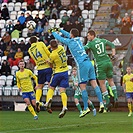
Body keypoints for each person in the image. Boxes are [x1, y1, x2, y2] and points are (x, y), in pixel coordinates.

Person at [49, 28, 104, 118]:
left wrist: (53, 32)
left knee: (82, 87)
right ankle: (101, 103)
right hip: (89, 62)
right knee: (95, 84)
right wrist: (60, 29)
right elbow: (68, 34)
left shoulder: (70, 42)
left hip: (82, 64)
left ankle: (86, 108)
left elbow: (60, 39)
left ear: (71, 35)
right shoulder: (79, 39)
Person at [84, 30, 118, 111]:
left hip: (100, 64)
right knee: (111, 80)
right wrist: (113, 55)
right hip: (108, 62)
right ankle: (116, 97)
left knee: (102, 84)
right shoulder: (103, 40)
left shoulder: (90, 43)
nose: (87, 37)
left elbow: (84, 48)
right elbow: (112, 45)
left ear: (92, 35)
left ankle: (108, 102)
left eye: (88, 35)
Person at [44, 39, 69, 118]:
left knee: (51, 87)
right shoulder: (61, 47)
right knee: (62, 91)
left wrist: (48, 62)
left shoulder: (52, 55)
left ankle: (49, 100)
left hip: (57, 72)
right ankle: (64, 106)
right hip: (65, 72)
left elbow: (51, 66)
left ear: (51, 47)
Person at [28, 36, 52, 113]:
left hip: (40, 68)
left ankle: (37, 100)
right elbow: (47, 53)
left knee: (39, 86)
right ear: (36, 40)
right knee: (50, 85)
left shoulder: (29, 50)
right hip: (47, 67)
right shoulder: (41, 43)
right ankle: (48, 101)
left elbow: (38, 53)